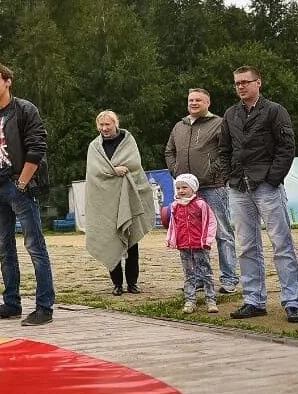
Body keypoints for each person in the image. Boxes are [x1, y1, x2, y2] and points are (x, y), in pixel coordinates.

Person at [218, 66, 298, 323]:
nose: (241, 87)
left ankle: (292, 301)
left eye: (245, 82)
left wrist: (272, 178)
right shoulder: (231, 113)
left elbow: (286, 147)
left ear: (258, 83)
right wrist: (228, 176)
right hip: (239, 187)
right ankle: (254, 300)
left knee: (282, 244)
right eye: (237, 83)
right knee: (246, 246)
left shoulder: (275, 110)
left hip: (266, 185)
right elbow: (223, 149)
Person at [0, 62, 56, 326]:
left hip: (18, 186)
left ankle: (44, 307)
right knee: (4, 248)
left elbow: (37, 148)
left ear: (8, 81)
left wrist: (22, 183)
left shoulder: (25, 109)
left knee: (34, 246)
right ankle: (11, 303)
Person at [165, 88, 238, 293]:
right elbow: (169, 151)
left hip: (213, 186)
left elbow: (227, 152)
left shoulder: (219, 123)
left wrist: (218, 173)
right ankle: (197, 279)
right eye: (191, 100)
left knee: (222, 233)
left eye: (198, 100)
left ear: (208, 103)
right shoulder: (179, 126)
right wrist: (176, 171)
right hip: (187, 193)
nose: (194, 103)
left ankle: (229, 278)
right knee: (190, 235)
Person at [85, 110, 155, 295]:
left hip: (129, 199)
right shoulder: (94, 147)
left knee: (132, 242)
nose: (104, 128)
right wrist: (113, 171)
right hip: (106, 202)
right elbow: (94, 172)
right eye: (101, 125)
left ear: (116, 124)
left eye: (108, 124)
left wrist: (123, 170)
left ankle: (132, 283)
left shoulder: (128, 141)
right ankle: (117, 284)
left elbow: (134, 164)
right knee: (110, 239)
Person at [166, 173, 219, 314]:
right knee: (189, 274)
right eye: (178, 188)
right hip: (183, 246)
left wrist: (207, 240)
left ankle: (211, 300)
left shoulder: (200, 204)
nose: (181, 191)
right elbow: (173, 225)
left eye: (185, 187)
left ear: (193, 188)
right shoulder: (174, 206)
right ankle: (190, 301)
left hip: (200, 246)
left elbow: (210, 223)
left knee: (205, 273)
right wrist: (172, 240)